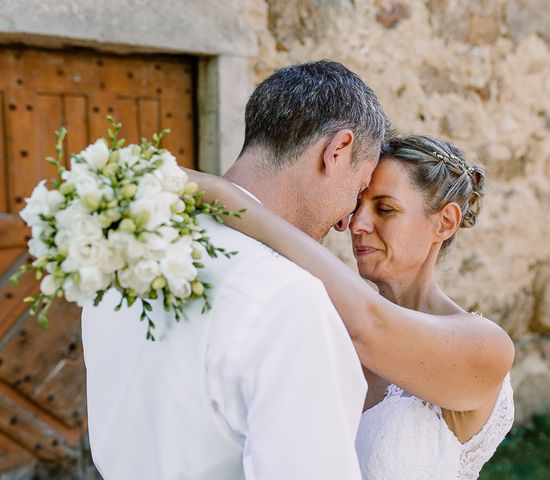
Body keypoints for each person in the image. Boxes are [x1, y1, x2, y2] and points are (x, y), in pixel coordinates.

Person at [81, 60, 389, 479]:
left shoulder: (127, 254)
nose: (344, 222)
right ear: (336, 151)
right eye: (357, 190)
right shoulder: (288, 295)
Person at [186, 134, 515, 479]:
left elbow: (371, 327)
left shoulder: (485, 347)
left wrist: (225, 197)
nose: (358, 225)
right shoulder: (326, 325)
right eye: (358, 205)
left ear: (445, 222)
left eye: (385, 209)